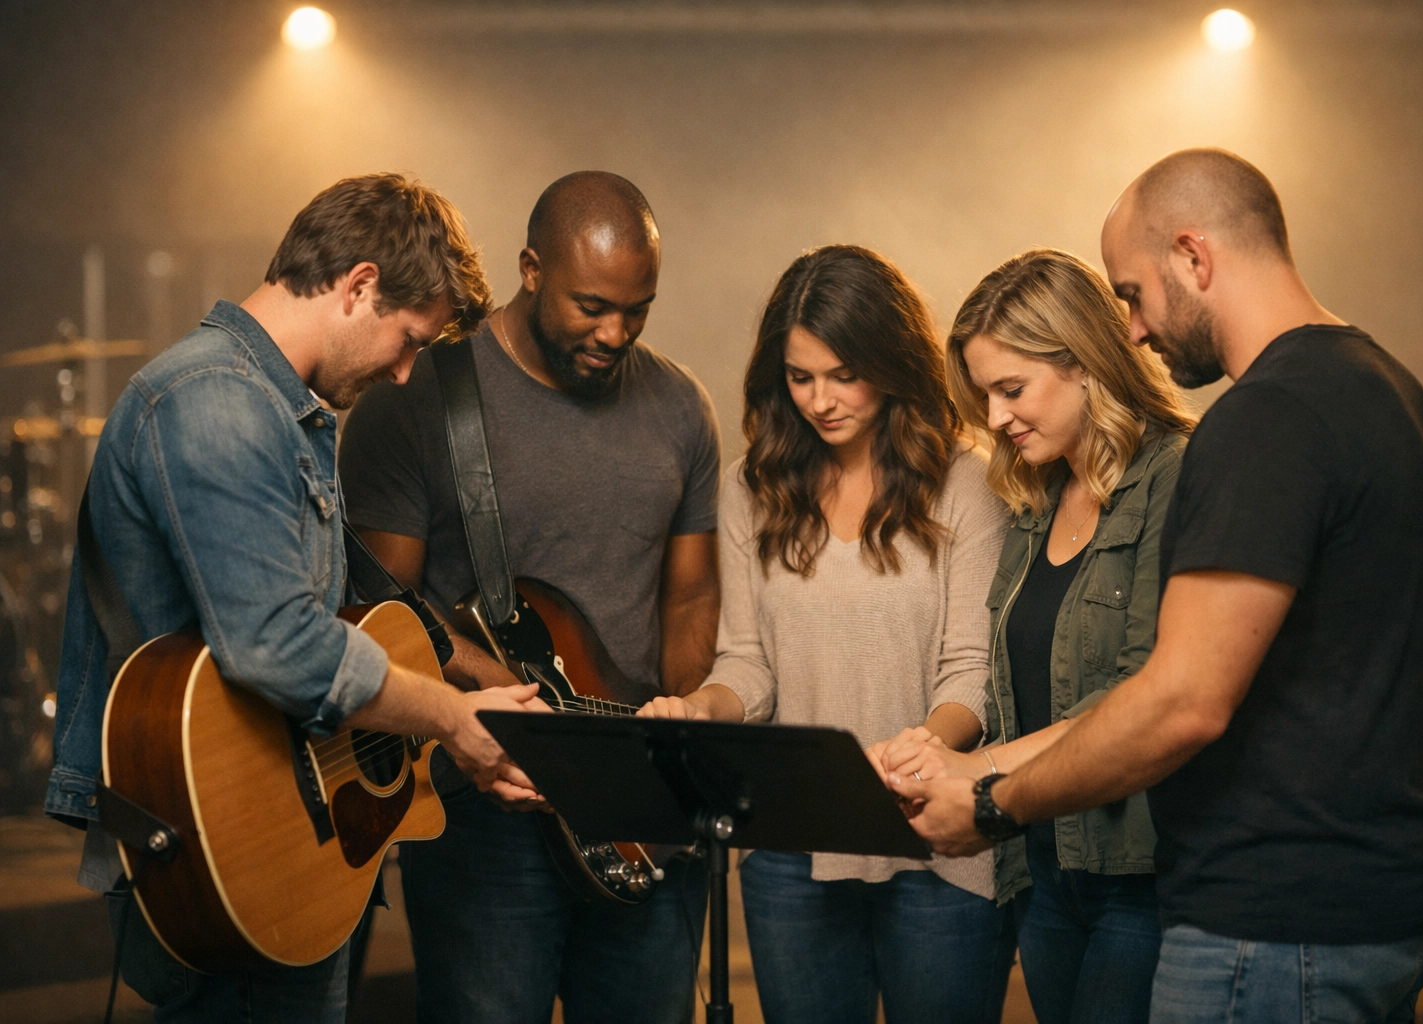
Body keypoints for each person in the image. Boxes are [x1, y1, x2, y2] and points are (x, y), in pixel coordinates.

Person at [894, 148, 1423, 1023]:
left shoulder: (1261, 420)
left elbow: (1181, 701)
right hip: (1384, 898)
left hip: (1280, 918)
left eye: (1131, 293)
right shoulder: (1387, 389)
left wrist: (990, 797)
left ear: (1195, 258)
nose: (1131, 326)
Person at [44, 173, 545, 1023]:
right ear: (358, 286)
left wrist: (467, 702)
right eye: (409, 339)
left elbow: (332, 627)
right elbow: (275, 643)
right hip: (217, 855)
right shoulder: (217, 403)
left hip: (288, 846)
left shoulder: (282, 413)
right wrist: (453, 721)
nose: (402, 372)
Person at [338, 170, 722, 1024]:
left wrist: (682, 718)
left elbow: (692, 598)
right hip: (488, 799)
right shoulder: (419, 396)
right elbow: (381, 609)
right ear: (531, 268)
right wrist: (499, 696)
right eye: (592, 307)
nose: (615, 333)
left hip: (637, 799)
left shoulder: (680, 406)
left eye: (638, 309)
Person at [640, 244, 1015, 1024]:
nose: (821, 400)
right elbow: (747, 662)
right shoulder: (752, 486)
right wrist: (700, 709)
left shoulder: (965, 479)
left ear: (893, 360)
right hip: (790, 846)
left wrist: (922, 748)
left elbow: (972, 668)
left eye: (845, 374)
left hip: (936, 835)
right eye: (801, 376)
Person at [874, 247, 1195, 1024]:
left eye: (1011, 389)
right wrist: (928, 749)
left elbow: (1139, 693)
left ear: (1085, 362)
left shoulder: (1176, 475)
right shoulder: (1030, 496)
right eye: (984, 396)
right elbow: (1003, 676)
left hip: (1139, 876)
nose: (994, 419)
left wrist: (972, 769)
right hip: (1041, 866)